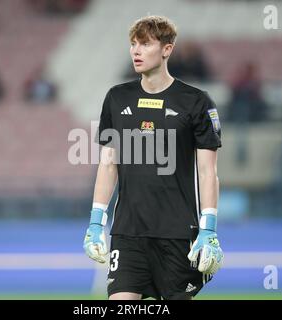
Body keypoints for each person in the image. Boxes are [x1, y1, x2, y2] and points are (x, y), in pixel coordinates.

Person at [83, 16, 224, 300]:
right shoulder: (116, 98)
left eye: (145, 44)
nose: (135, 50)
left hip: (178, 235)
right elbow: (108, 163)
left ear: (167, 49)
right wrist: (97, 221)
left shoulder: (196, 102)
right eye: (133, 44)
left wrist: (209, 229)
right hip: (128, 233)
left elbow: (208, 172)